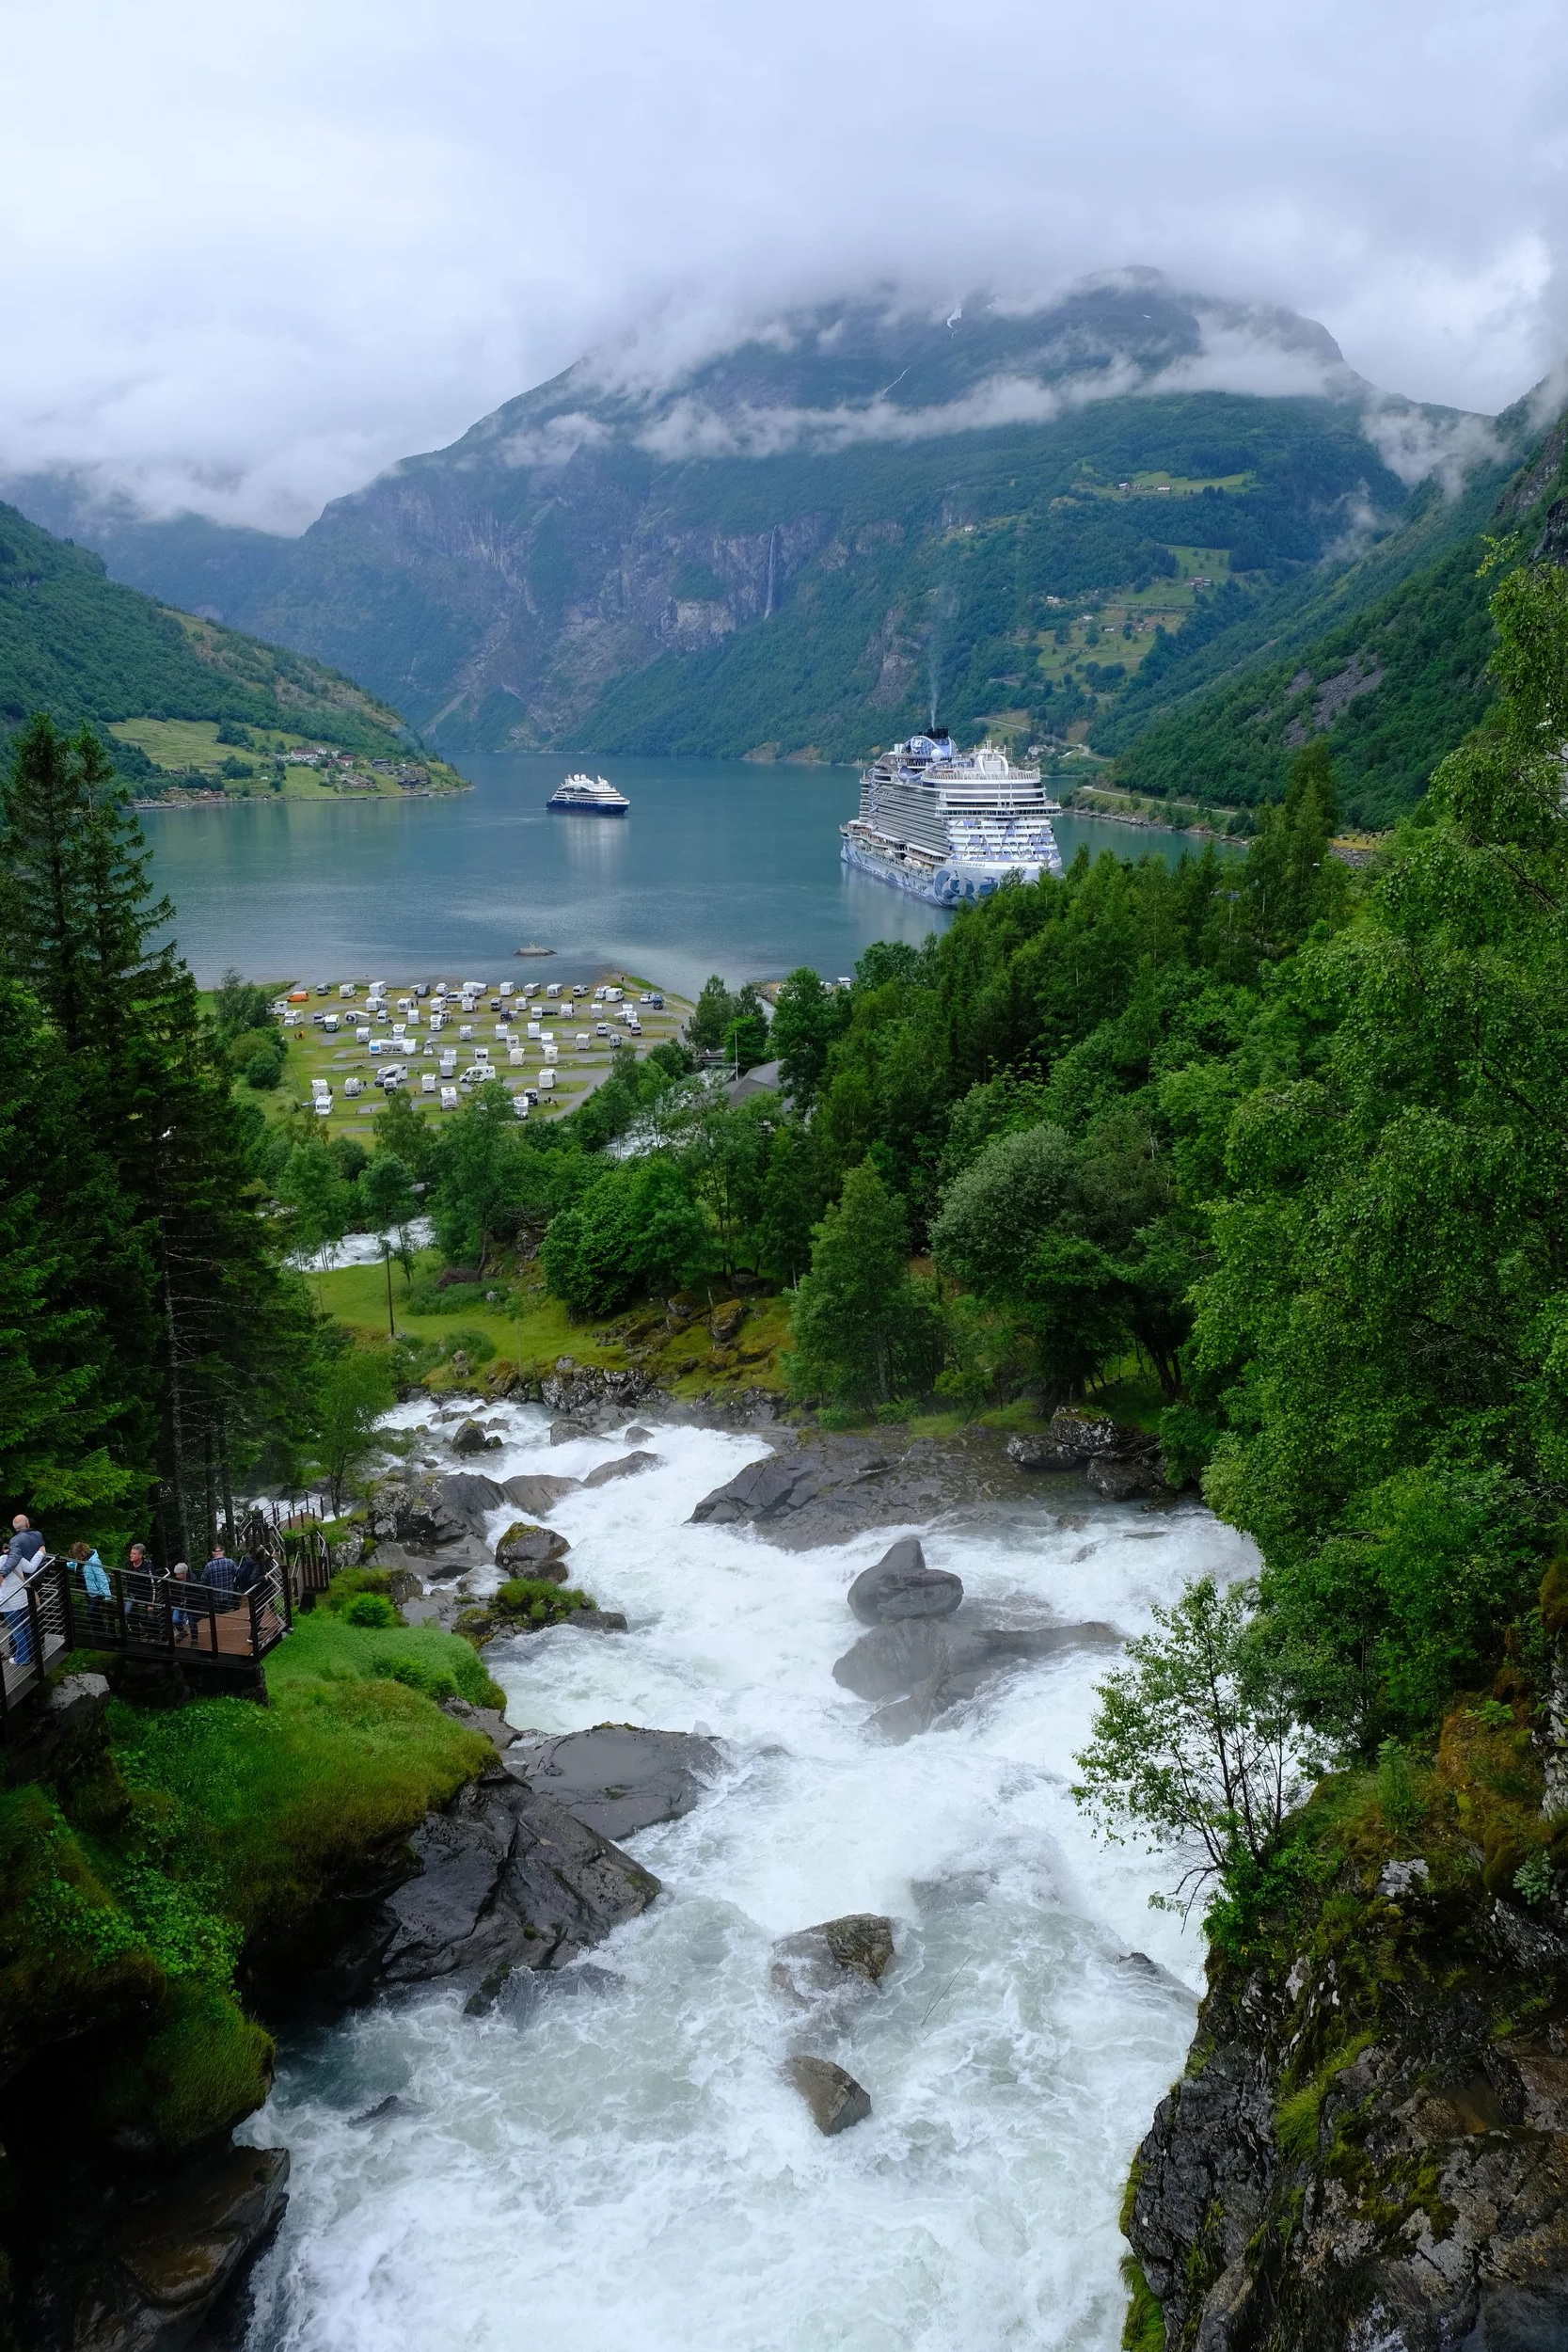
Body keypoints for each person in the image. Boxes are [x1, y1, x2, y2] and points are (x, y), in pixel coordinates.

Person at [2, 1516, 45, 1669]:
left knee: (16, 1628)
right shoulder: (37, 1535)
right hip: (25, 1591)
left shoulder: (15, 1543)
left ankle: (21, 1656)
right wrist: (40, 1553)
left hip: (8, 1600)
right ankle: (34, 1650)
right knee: (28, 1623)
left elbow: (13, 1561)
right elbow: (30, 1567)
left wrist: (2, 1573)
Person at [69, 1540, 112, 1636]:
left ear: (82, 1553)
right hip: (88, 1591)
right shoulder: (80, 1560)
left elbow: (102, 1577)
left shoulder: (94, 1561)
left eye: (77, 1555)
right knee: (94, 1612)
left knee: (92, 1611)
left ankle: (101, 1633)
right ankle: (98, 1632)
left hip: (97, 1591)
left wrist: (107, 1595)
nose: (76, 1557)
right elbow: (73, 1564)